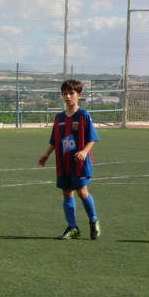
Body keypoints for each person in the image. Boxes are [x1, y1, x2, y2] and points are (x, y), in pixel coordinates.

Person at [38, 79, 100, 240]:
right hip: (63, 162)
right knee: (67, 193)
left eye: (71, 93)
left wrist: (85, 151)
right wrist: (46, 155)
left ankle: (93, 221)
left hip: (79, 162)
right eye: (65, 93)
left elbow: (92, 138)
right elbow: (54, 140)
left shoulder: (84, 115)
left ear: (79, 95)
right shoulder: (59, 118)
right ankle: (72, 227)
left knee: (82, 192)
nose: (68, 96)